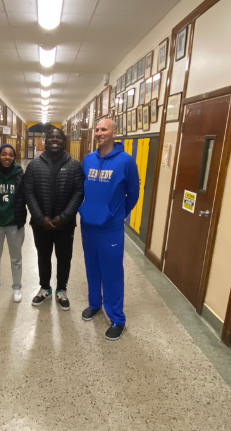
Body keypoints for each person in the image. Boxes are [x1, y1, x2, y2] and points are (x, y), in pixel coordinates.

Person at [78, 118, 139, 340]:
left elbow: (133, 193)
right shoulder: (87, 159)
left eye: (104, 129)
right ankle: (95, 303)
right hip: (88, 225)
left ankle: (117, 318)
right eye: (97, 129)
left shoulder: (126, 161)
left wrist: (118, 213)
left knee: (112, 272)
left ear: (114, 133)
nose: (99, 133)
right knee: (92, 267)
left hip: (110, 227)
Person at [23, 127, 84, 310]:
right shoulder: (34, 165)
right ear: (45, 140)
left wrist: (63, 217)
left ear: (64, 141)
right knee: (43, 256)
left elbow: (78, 193)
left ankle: (61, 290)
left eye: (58, 137)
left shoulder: (74, 165)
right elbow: (28, 192)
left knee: (64, 257)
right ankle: (45, 288)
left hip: (65, 225)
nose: (54, 140)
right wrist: (40, 217)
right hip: (40, 224)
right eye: (51, 137)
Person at [0, 144, 27, 303]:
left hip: (15, 223)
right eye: (3, 154)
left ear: (14, 157)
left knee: (16, 258)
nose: (7, 157)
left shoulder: (21, 175)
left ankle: (17, 287)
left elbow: (26, 198)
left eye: (10, 155)